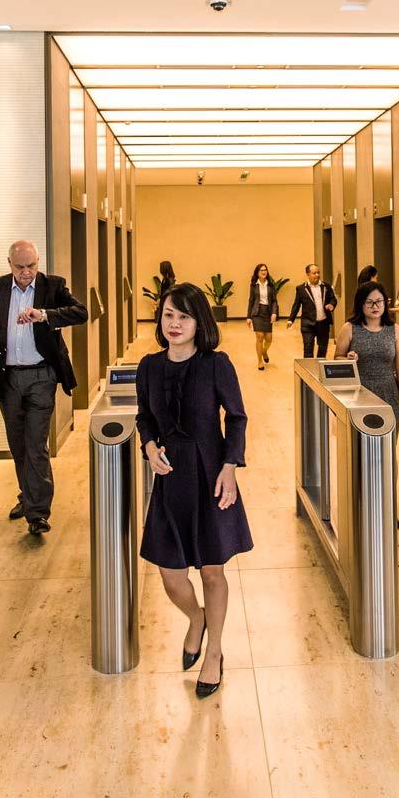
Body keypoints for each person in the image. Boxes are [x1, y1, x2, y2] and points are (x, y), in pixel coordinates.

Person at [136, 282, 253, 698]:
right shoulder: (149, 366)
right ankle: (197, 618)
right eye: (168, 314)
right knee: (171, 575)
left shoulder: (215, 364)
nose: (174, 323)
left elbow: (236, 417)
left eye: (183, 316)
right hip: (171, 478)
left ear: (198, 322)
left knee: (212, 570)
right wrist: (149, 447)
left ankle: (214, 651)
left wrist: (230, 466)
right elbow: (144, 417)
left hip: (210, 473)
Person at [0, 240, 88, 535]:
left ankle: (37, 513)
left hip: (41, 376)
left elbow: (81, 312)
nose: (26, 272)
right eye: (20, 266)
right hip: (7, 377)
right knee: (18, 444)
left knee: (36, 444)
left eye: (31, 266)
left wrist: (45, 314)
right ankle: (28, 496)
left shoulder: (53, 285)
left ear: (38, 262)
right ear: (9, 264)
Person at [334, 281, 399, 433]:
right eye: (369, 302)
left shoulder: (395, 330)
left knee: (388, 439)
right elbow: (337, 358)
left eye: (379, 301)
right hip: (358, 391)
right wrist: (348, 360)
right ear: (360, 304)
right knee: (360, 439)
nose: (375, 306)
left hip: (388, 392)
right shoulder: (349, 328)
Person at [287, 264, 337, 358]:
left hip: (323, 323)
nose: (317, 275)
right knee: (308, 349)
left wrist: (332, 304)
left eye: (318, 272)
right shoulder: (301, 289)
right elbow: (296, 305)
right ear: (308, 274)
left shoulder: (326, 286)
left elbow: (333, 299)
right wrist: (291, 320)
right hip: (308, 324)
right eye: (314, 273)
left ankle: (319, 365)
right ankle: (308, 367)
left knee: (322, 348)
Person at [246, 263, 279, 370]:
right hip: (257, 312)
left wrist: (274, 313)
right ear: (257, 273)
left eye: (265, 270)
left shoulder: (271, 285)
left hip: (268, 312)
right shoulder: (253, 285)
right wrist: (249, 317)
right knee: (259, 336)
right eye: (261, 270)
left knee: (269, 338)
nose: (264, 272)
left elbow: (274, 301)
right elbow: (251, 301)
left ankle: (264, 351)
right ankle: (260, 361)